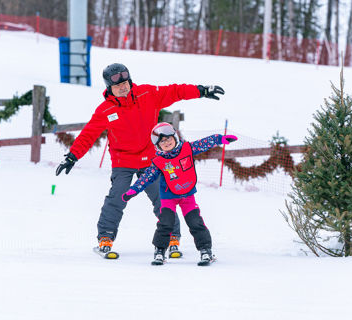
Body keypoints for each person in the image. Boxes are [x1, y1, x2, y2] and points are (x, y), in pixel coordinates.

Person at [55, 63, 225, 259]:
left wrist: (201, 91)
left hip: (152, 160)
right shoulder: (106, 110)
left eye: (126, 83)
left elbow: (175, 91)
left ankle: (172, 237)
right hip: (123, 162)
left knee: (163, 199)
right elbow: (88, 135)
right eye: (118, 86)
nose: (123, 87)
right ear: (109, 88)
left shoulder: (147, 95)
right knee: (117, 197)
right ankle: (105, 238)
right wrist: (72, 156)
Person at [121, 122, 238, 265]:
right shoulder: (159, 161)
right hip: (168, 197)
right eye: (162, 141)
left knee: (195, 222)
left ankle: (206, 250)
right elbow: (146, 177)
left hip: (187, 195)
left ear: (175, 137)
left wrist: (220, 139)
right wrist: (133, 190)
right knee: (165, 223)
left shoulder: (188, 149)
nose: (167, 142)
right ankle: (159, 251)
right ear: (158, 146)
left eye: (169, 138)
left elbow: (204, 143)